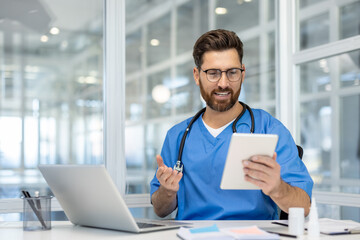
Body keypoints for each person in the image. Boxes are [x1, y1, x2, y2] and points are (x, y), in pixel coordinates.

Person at [150, 29, 313, 220]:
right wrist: (167, 191)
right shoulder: (178, 136)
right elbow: (160, 210)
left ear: (243, 74)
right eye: (213, 73)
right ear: (196, 75)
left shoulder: (269, 128)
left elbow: (304, 206)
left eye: (232, 72)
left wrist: (278, 188)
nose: (223, 83)